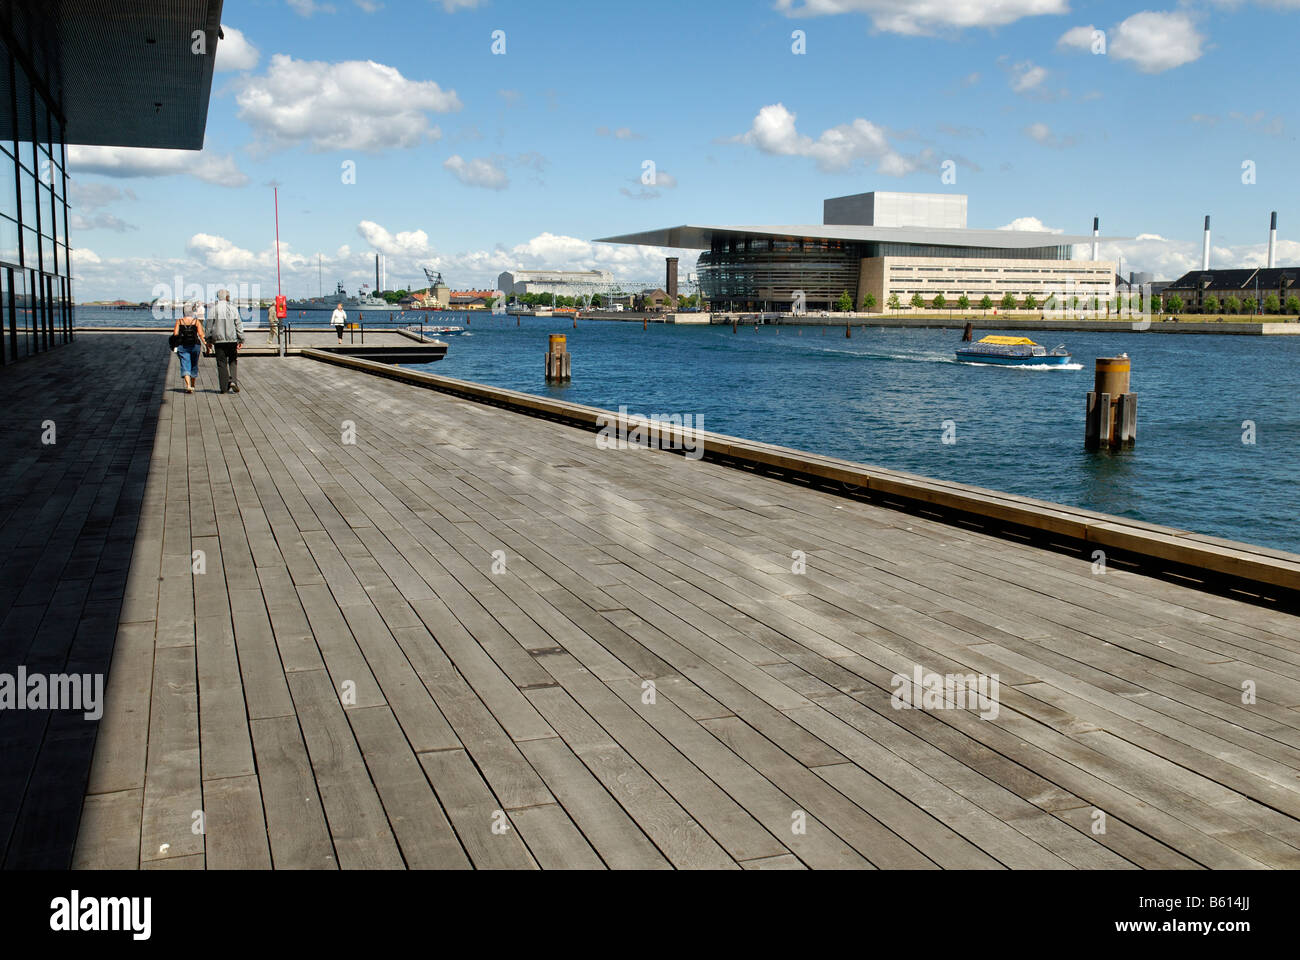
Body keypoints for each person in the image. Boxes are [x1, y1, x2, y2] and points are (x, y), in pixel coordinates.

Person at [208, 289, 245, 394]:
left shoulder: (213, 310)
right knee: (233, 361)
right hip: (232, 340)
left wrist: (208, 340)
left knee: (221, 363)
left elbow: (209, 326)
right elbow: (239, 325)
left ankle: (223, 387)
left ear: (217, 297)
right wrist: (241, 339)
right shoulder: (233, 309)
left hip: (218, 341)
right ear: (228, 297)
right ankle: (233, 381)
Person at [172, 305, 205, 394]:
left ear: (184, 312)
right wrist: (206, 344)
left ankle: (188, 386)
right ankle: (193, 385)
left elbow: (175, 334)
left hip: (183, 346)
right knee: (194, 364)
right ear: (192, 312)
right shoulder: (196, 321)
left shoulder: (179, 321)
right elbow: (201, 334)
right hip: (195, 346)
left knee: (185, 364)